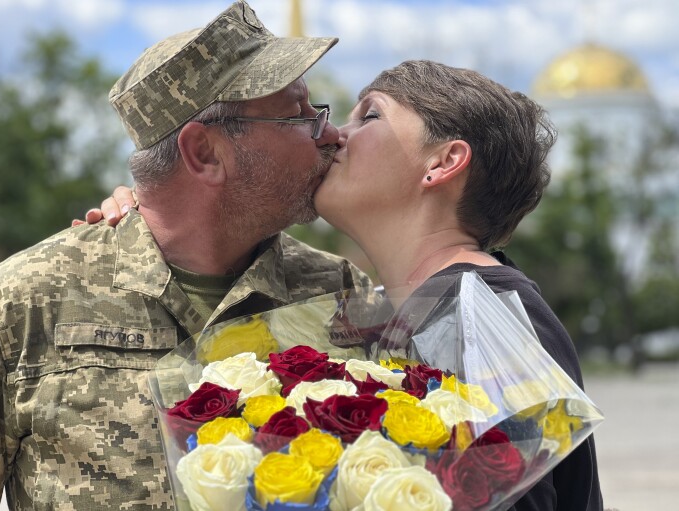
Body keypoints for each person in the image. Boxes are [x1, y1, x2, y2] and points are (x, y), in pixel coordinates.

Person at [0, 2, 373, 509]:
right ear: (205, 154)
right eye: (299, 113)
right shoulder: (18, 308)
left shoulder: (341, 295)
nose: (328, 132)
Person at [95, 60, 603, 510]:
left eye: (371, 116)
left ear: (443, 163)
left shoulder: (488, 306)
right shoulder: (387, 311)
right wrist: (151, 214)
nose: (335, 133)